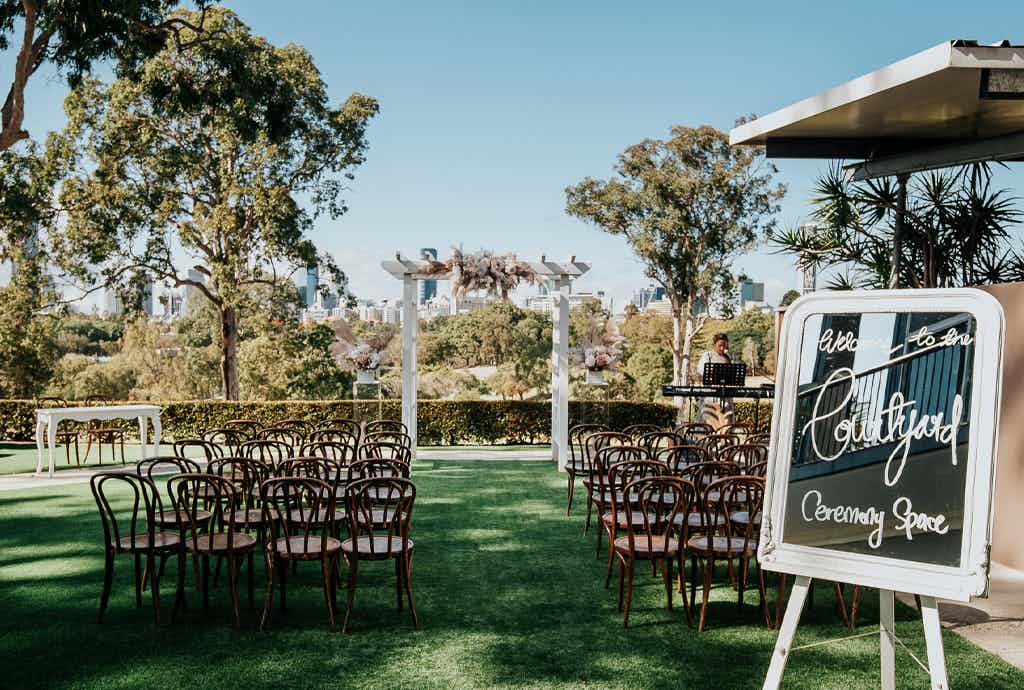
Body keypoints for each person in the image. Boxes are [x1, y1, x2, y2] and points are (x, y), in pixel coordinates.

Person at [697, 333, 734, 428]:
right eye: (720, 345)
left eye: (724, 346)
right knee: (708, 422)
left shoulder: (727, 358)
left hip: (725, 395)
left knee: (726, 424)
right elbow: (701, 372)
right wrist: (712, 381)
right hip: (711, 394)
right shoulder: (708, 355)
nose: (722, 348)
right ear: (714, 344)